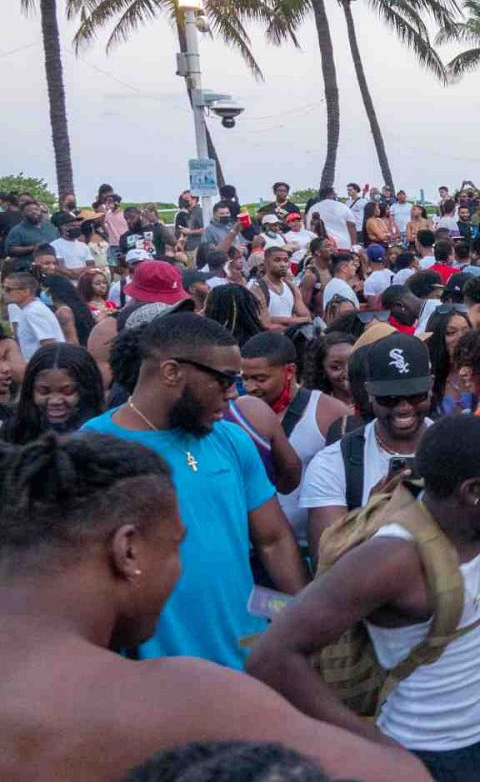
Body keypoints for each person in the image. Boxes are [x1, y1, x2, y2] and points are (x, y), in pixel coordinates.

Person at [0, 433, 430, 781]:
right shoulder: (176, 698)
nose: (179, 566)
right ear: (127, 550)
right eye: (176, 547)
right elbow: (402, 775)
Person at [247, 414, 480, 780]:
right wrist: (371, 744)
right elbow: (271, 656)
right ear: (471, 491)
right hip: (429, 760)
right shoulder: (394, 558)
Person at [80, 312, 308, 668]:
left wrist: (302, 626)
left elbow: (273, 540)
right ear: (172, 373)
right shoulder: (91, 451)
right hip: (152, 681)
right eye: (225, 380)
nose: (235, 393)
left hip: (248, 666)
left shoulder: (232, 440)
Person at [300, 335, 435, 555]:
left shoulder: (458, 452)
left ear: (431, 388)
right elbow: (328, 565)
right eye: (389, 399)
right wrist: (370, 515)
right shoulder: (333, 464)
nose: (404, 408)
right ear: (369, 393)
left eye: (415, 396)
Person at [242, 332, 353, 546]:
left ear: (289, 371)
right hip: (255, 547)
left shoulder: (329, 412)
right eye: (245, 378)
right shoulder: (238, 412)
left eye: (260, 379)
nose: (250, 387)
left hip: (312, 546)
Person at [3, 342, 104, 442]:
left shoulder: (104, 433)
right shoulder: (13, 432)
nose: (54, 401)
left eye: (67, 391)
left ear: (88, 391)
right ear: (30, 390)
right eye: (43, 391)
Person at [4, 270, 64, 361]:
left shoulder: (33, 312)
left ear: (25, 291)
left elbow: (49, 344)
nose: (4, 293)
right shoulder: (30, 309)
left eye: (8, 289)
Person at [253, 246, 311, 330]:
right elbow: (265, 325)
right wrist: (293, 323)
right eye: (277, 260)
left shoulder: (291, 287)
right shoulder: (257, 288)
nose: (283, 264)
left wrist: (276, 319)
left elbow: (307, 318)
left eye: (286, 260)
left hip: (291, 339)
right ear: (265, 263)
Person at [4, 198, 57, 271]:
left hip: (53, 268)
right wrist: (31, 248)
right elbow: (10, 250)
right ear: (22, 213)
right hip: (28, 269)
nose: (34, 212)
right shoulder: (17, 230)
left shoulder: (51, 227)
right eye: (29, 210)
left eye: (36, 209)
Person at [309, 184, 360, 250]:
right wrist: (354, 245)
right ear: (330, 194)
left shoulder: (313, 208)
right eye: (335, 194)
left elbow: (309, 228)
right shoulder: (343, 207)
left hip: (322, 247)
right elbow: (351, 226)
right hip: (343, 245)